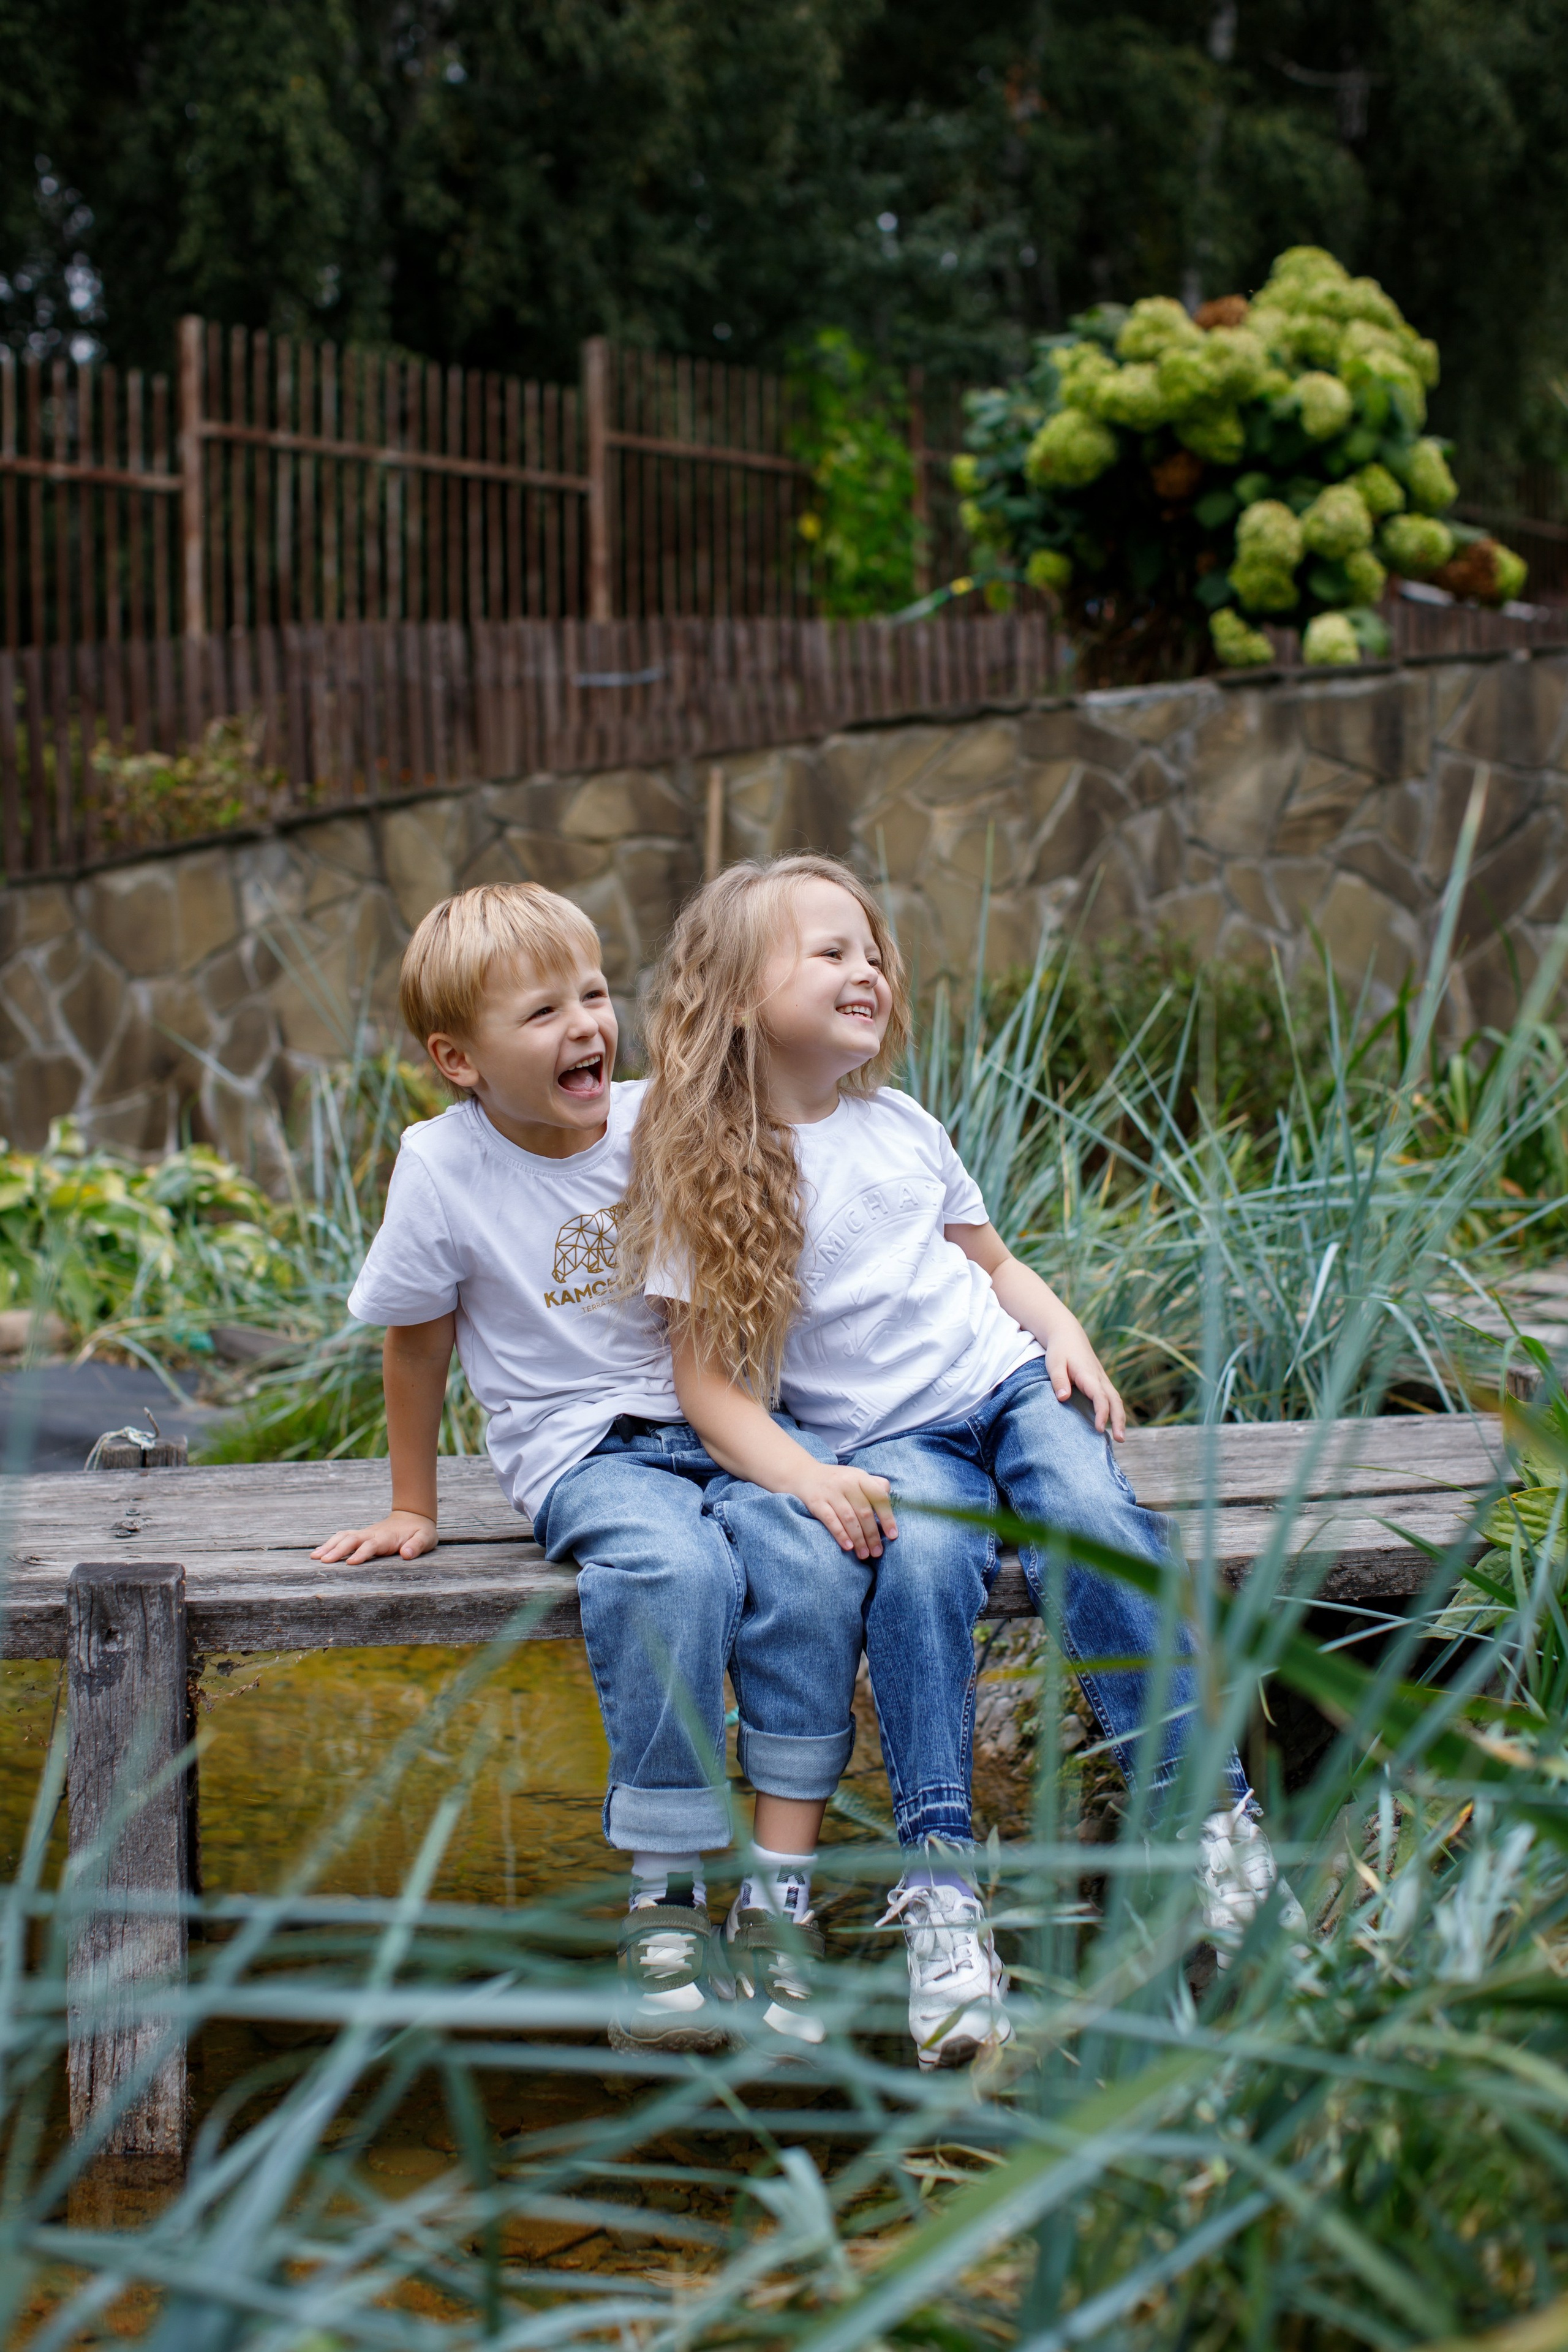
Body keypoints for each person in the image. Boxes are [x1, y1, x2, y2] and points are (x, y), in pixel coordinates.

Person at [619, 853, 1293, 2071]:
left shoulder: (902, 1126)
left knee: (1092, 1511)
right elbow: (705, 1388)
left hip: (1006, 1389)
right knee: (918, 1565)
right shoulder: (707, 1174)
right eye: (825, 950)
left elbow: (992, 1266)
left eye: (869, 949)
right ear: (728, 994)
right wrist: (807, 1477)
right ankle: (941, 1891)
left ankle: (1207, 1826)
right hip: (886, 1444)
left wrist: (1066, 1334)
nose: (863, 966)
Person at [311, 881, 866, 2053]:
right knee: (675, 1571)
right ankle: (664, 1902)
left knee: (811, 1568)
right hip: (584, 1448)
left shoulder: (657, 1117)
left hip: (723, 1426)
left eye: (597, 994)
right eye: (543, 1012)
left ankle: (777, 1898)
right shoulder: (442, 1167)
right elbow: (416, 1345)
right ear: (459, 1059)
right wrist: (415, 1505)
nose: (587, 1027)